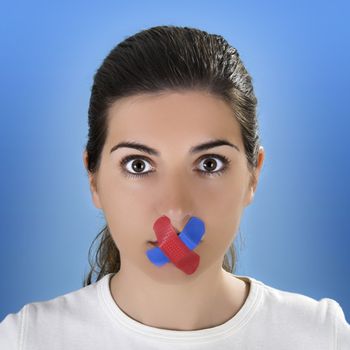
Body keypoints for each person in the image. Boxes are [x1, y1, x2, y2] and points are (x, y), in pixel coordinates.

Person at [1, 25, 349, 349]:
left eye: (209, 164)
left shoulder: (321, 336)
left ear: (253, 175)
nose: (175, 209)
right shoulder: (27, 339)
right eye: (138, 165)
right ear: (93, 178)